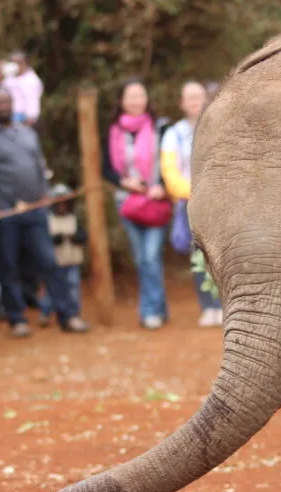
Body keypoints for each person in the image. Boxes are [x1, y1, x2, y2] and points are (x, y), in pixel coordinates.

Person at [0, 87, 90, 337]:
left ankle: (68, 315)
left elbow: (38, 164)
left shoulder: (26, 132)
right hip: (5, 214)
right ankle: (17, 319)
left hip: (35, 210)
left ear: (13, 104)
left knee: (50, 262)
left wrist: (44, 193)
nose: (3, 107)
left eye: (6, 102)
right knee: (8, 266)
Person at [101, 79, 170, 329]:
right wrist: (124, 181)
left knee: (151, 256)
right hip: (128, 203)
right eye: (130, 96)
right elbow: (105, 168)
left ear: (147, 99)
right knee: (142, 258)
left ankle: (149, 311)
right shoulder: (112, 130)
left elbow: (169, 161)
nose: (136, 101)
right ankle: (160, 307)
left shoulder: (161, 128)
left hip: (156, 201)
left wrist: (161, 184)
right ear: (121, 100)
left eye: (140, 95)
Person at [160, 80, 222, 327]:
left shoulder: (218, 127)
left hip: (220, 203)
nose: (195, 102)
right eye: (190, 97)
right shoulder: (173, 134)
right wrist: (197, 193)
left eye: (199, 96)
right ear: (181, 103)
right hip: (190, 205)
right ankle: (208, 306)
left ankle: (225, 306)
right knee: (199, 258)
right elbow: (170, 173)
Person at [39, 183, 86, 327]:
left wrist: (76, 237)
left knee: (73, 286)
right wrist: (54, 240)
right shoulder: (48, 220)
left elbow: (83, 236)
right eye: (58, 203)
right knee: (52, 288)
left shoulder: (74, 219)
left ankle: (73, 313)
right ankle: (46, 313)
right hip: (56, 262)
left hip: (72, 260)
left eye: (65, 203)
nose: (62, 206)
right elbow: (42, 241)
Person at [2, 51, 43, 127]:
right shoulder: (10, 77)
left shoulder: (31, 81)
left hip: (22, 118)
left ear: (23, 64)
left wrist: (30, 119)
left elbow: (32, 101)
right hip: (8, 115)